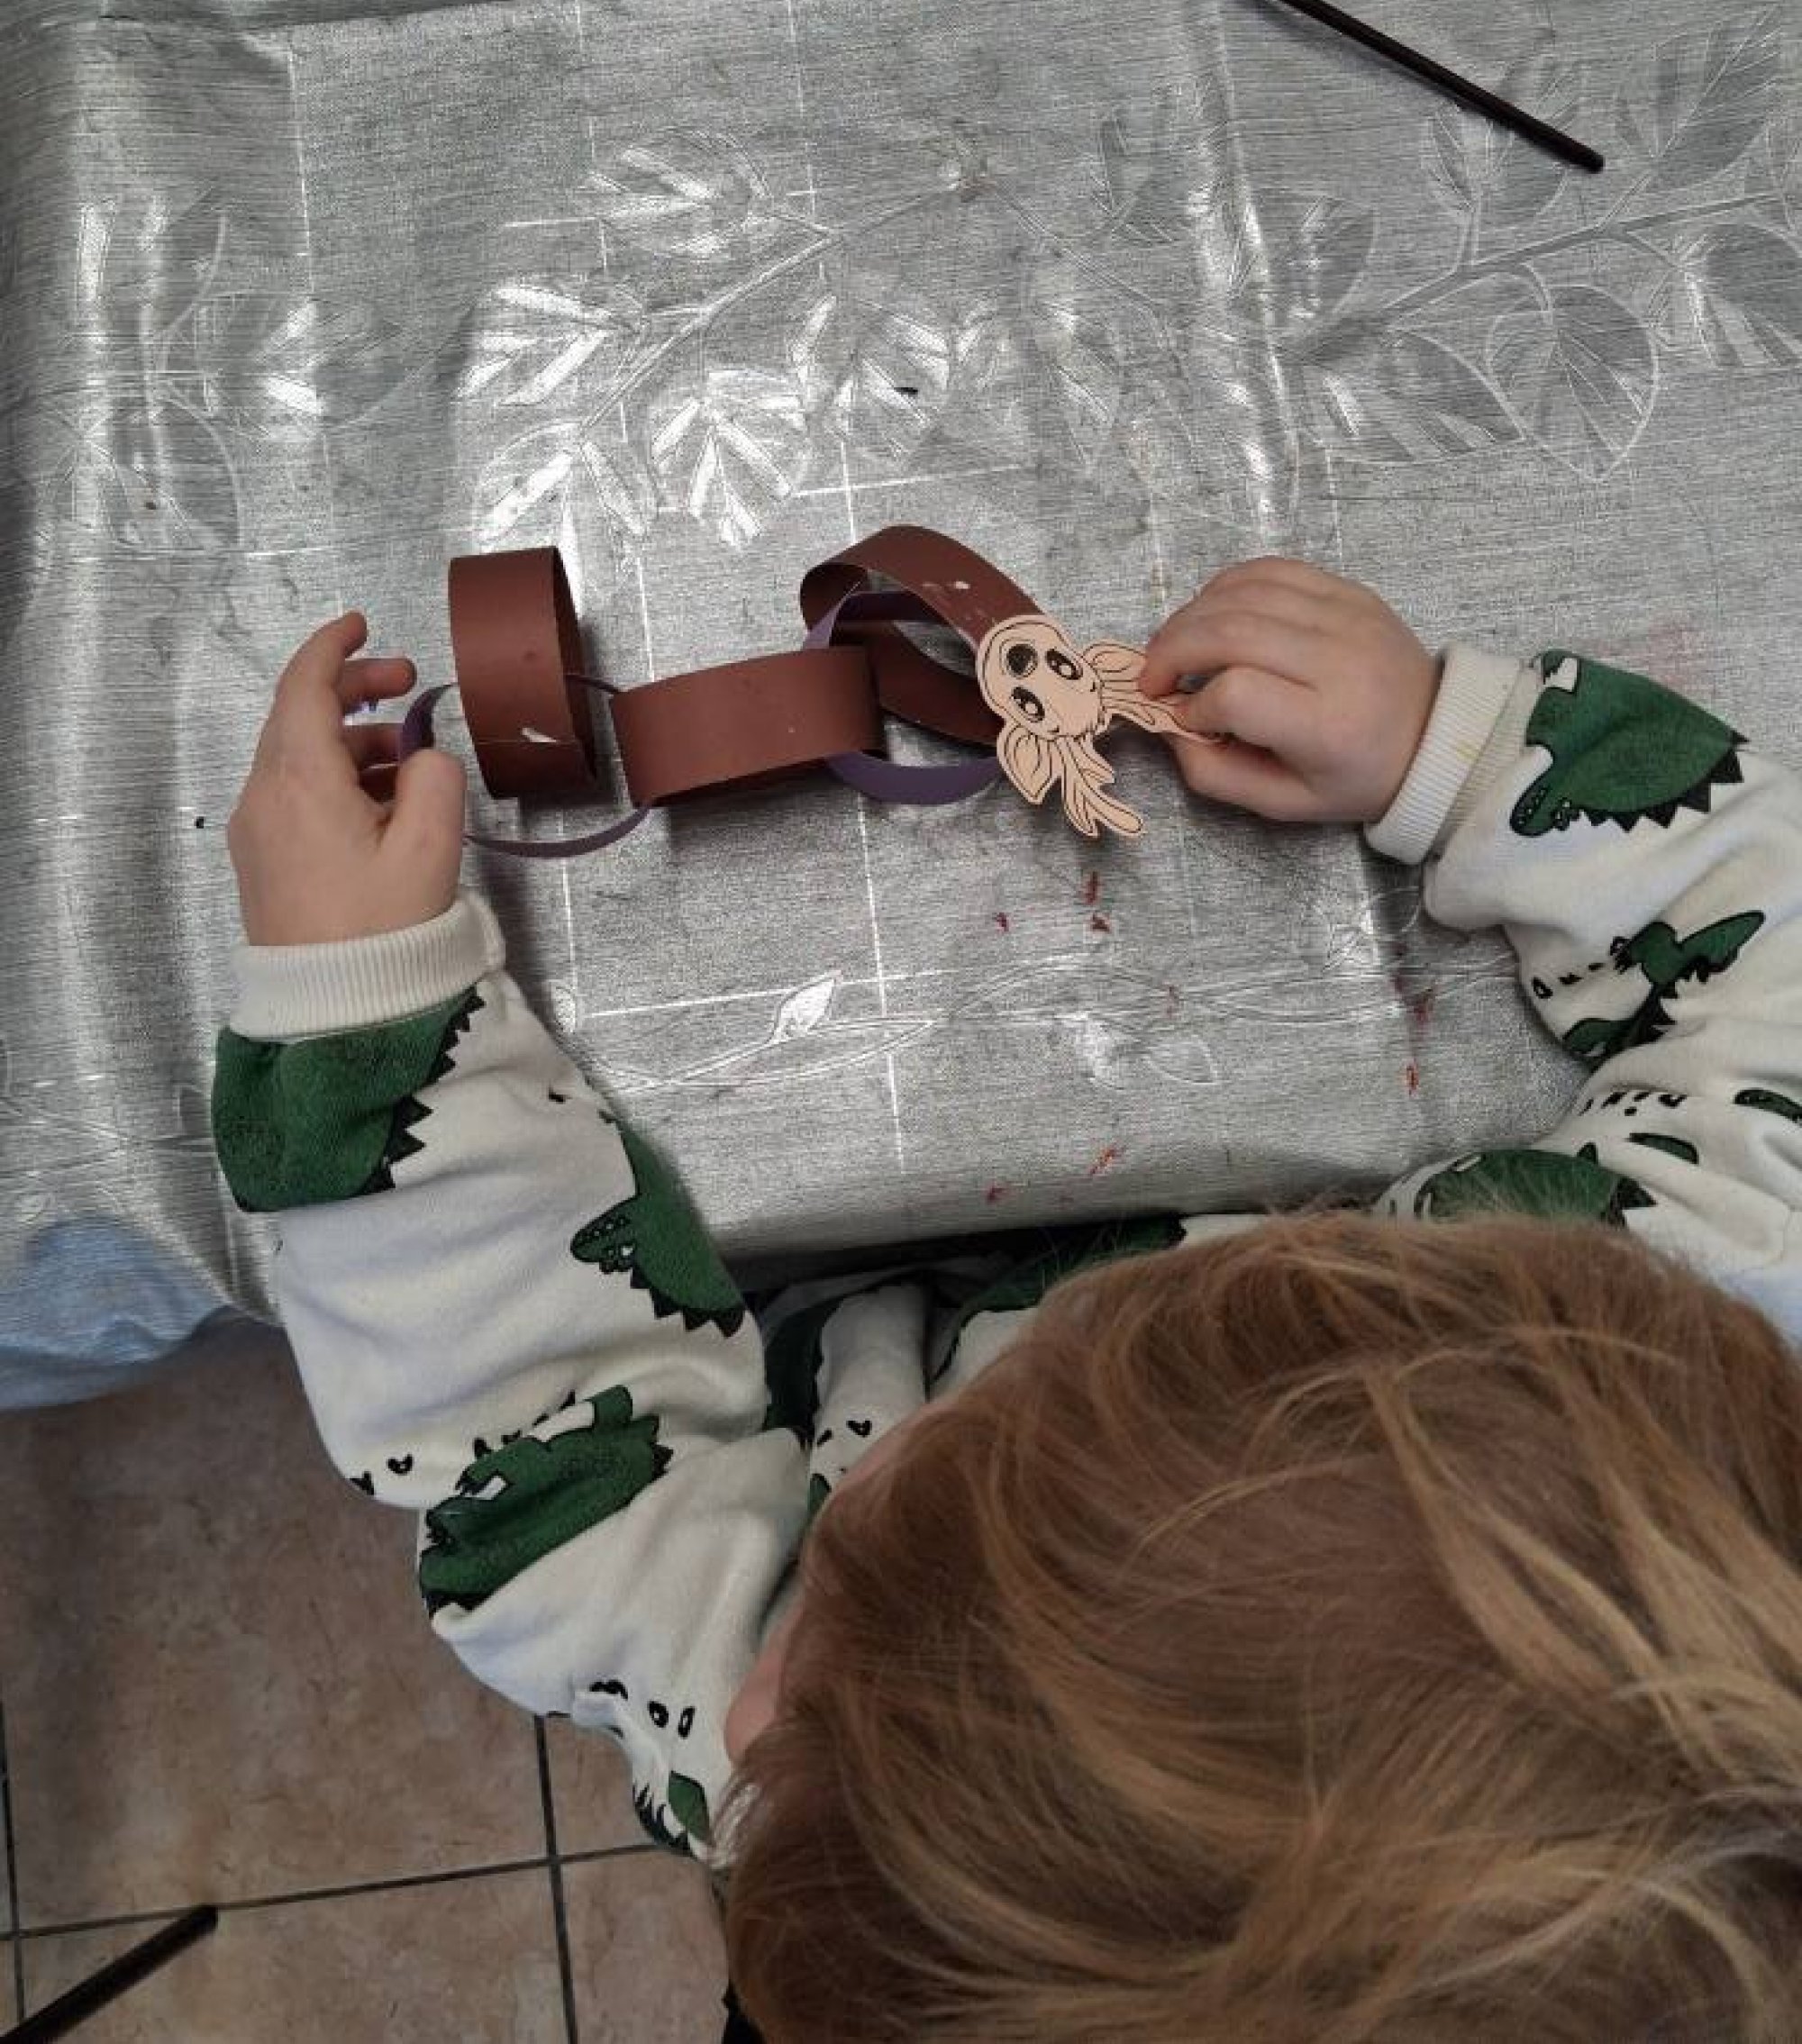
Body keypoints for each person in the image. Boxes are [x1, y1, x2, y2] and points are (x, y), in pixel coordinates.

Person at [213, 559, 1802, 2042]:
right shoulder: (1654, 1326)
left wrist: (366, 1022)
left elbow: (539, 1462)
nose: (751, 1729)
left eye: (814, 1648)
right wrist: (1462, 756)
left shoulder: (844, 1806)